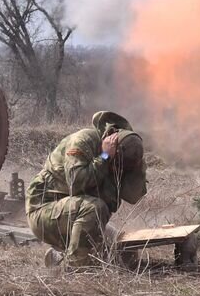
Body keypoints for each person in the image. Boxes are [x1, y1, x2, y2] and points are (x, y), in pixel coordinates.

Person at [25, 111, 148, 268]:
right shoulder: (83, 141)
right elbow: (76, 183)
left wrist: (138, 165)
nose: (117, 167)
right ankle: (74, 270)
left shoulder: (124, 158)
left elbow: (133, 196)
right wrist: (104, 156)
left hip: (77, 215)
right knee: (95, 208)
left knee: (125, 253)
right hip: (44, 211)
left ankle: (58, 257)